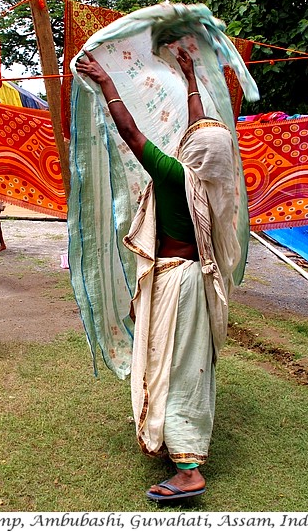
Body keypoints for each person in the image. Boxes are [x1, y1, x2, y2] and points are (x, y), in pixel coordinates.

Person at [76, 47, 242, 501]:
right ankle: (181, 448)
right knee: (189, 365)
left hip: (175, 283)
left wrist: (107, 81)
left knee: (173, 367)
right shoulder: (211, 184)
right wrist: (191, 80)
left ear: (193, 152)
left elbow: (130, 133)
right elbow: (200, 131)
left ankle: (188, 471)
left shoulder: (174, 176)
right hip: (197, 280)